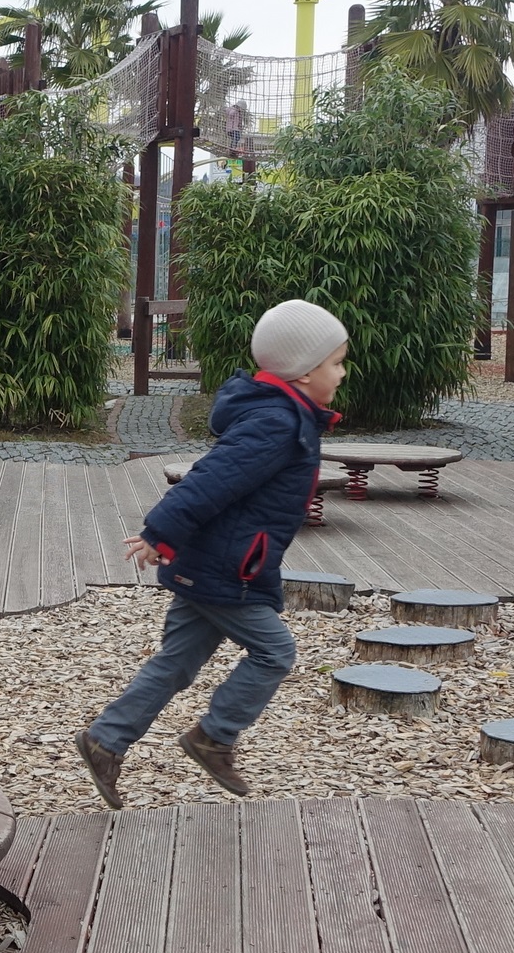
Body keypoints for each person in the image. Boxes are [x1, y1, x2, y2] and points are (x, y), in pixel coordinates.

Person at [76, 298, 348, 805]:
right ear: (305, 371)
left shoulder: (281, 414)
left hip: (213, 562)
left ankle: (105, 741)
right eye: (336, 363)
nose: (342, 372)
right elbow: (211, 480)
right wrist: (160, 532)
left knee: (177, 662)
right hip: (225, 569)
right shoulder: (277, 423)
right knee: (274, 652)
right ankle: (214, 738)